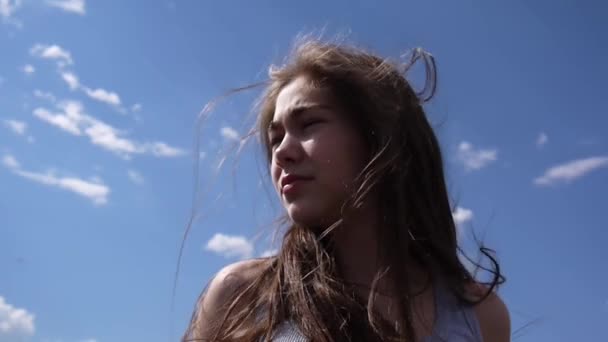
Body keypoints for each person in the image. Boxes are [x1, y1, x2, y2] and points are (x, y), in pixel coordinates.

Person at [183, 36, 510, 342]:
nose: (281, 152)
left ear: (382, 138)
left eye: (309, 123)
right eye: (275, 137)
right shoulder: (239, 295)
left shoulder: (481, 316)